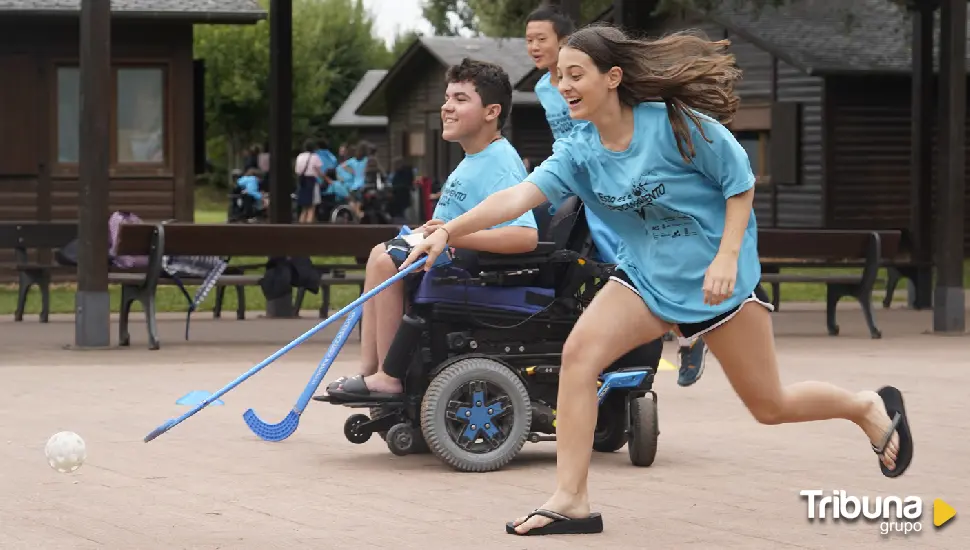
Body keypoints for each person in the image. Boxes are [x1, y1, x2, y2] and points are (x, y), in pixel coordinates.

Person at [400, 25, 913, 536]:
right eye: (559, 76)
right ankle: (571, 500)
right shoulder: (579, 150)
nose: (564, 85)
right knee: (580, 357)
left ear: (613, 77)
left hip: (719, 282)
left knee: (770, 406)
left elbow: (739, 184)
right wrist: (448, 228)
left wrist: (727, 258)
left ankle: (865, 406)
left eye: (576, 74)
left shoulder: (674, 124)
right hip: (645, 279)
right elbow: (515, 199)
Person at [323, 57, 540, 399]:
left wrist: (452, 233)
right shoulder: (474, 158)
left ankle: (388, 376)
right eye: (447, 97)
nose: (447, 107)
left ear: (491, 111)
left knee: (384, 260)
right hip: (446, 254)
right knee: (378, 255)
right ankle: (371, 368)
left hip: (471, 270)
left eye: (460, 99)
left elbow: (526, 236)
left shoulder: (501, 162)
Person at [526, 6, 709, 386]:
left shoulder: (599, 83)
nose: (533, 46)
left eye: (541, 38)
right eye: (528, 40)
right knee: (539, 222)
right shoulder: (545, 88)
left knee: (621, 242)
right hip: (576, 171)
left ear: (564, 42)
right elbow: (567, 139)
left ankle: (685, 325)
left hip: (609, 174)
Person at [294, 139, 323, 223]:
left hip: (302, 182)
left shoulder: (299, 156)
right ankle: (308, 229)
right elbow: (319, 171)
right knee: (311, 208)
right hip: (311, 182)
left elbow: (297, 171)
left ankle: (300, 229)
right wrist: (327, 179)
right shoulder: (315, 157)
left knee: (304, 208)